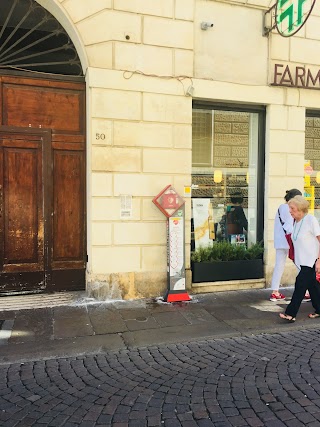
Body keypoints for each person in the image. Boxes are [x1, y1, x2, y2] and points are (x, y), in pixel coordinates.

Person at [279, 195, 320, 322]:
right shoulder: (296, 222)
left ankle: (291, 314)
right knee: (313, 286)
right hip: (303, 261)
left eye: (292, 208)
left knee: (300, 284)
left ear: (301, 208)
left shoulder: (310, 220)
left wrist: (319, 260)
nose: (290, 211)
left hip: (311, 260)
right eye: (289, 208)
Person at [270, 188, 306, 301]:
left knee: (279, 265)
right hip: (290, 240)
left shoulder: (281, 207)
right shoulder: (288, 208)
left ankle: (275, 291)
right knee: (301, 264)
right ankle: (305, 290)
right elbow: (289, 226)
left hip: (280, 241)